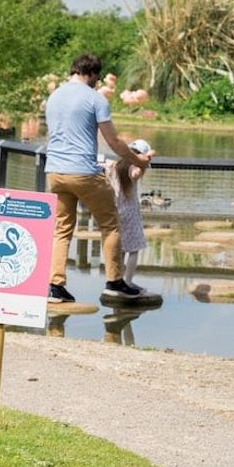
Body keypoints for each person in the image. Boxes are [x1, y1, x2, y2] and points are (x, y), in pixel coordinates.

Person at [44, 53, 152, 303]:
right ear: (92, 74)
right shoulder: (95, 98)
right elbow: (113, 141)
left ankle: (55, 286)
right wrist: (138, 161)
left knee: (62, 229)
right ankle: (115, 281)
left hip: (55, 172)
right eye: (97, 77)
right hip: (83, 172)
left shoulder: (54, 96)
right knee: (110, 224)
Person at [104, 138, 153, 294]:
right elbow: (136, 174)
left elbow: (100, 166)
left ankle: (116, 279)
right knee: (134, 248)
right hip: (130, 213)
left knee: (121, 247)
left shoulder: (113, 165)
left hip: (115, 210)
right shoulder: (133, 167)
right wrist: (145, 161)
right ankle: (128, 281)